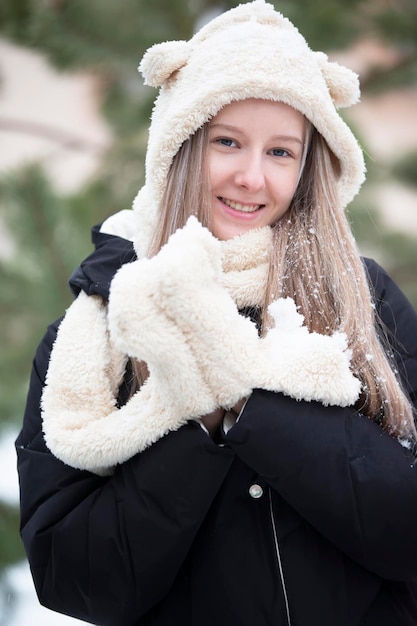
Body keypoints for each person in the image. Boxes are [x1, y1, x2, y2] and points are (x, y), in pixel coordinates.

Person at [16, 1, 417, 625]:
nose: (251, 177)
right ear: (180, 147)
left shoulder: (366, 303)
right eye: (227, 142)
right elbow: (76, 578)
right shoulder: (105, 326)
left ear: (310, 167)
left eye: (281, 152)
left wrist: (247, 405)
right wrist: (199, 424)